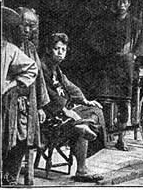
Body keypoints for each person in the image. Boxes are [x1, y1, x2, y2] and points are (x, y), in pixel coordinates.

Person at [40, 33, 106, 183]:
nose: (60, 53)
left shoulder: (55, 68)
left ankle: (82, 125)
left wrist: (85, 101)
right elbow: (46, 94)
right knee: (80, 123)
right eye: (56, 49)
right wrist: (65, 110)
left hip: (62, 111)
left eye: (63, 49)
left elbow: (69, 85)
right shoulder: (42, 67)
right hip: (48, 115)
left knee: (95, 110)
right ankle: (82, 169)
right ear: (49, 50)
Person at [92, 0, 143, 151]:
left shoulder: (135, 24)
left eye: (124, 1)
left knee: (124, 103)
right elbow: (96, 41)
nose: (121, 5)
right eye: (118, 1)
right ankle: (103, 136)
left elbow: (141, 45)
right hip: (108, 65)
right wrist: (104, 52)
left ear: (129, 4)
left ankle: (121, 138)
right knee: (104, 101)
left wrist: (135, 58)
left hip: (126, 67)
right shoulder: (106, 23)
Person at [2, 7, 50, 186]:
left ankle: (10, 177)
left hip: (26, 106)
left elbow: (38, 78)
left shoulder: (30, 48)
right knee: (5, 138)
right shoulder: (5, 45)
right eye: (24, 26)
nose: (27, 31)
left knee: (23, 140)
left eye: (32, 27)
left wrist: (40, 107)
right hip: (6, 102)